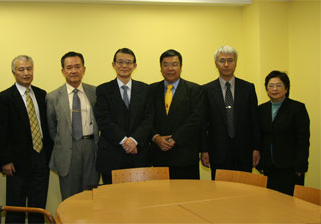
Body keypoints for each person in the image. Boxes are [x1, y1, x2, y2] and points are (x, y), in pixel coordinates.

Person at [0, 55, 52, 223]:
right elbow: (0, 132)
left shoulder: (41, 94)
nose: (26, 73)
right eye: (21, 69)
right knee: (16, 208)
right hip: (16, 162)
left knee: (38, 207)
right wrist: (5, 160)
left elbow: (46, 127)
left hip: (41, 158)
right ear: (14, 72)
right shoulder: (4, 98)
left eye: (29, 69)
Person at [95, 48, 153, 184]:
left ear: (135, 66)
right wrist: (124, 140)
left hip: (139, 155)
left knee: (140, 200)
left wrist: (134, 140)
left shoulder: (145, 89)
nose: (124, 66)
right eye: (120, 62)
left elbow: (148, 119)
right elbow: (103, 119)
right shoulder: (103, 90)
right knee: (112, 201)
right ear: (113, 65)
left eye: (128, 62)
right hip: (111, 155)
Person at [202, 46, 261, 179]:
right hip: (217, 152)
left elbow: (254, 121)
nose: (226, 64)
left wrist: (257, 148)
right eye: (222, 60)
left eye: (230, 60)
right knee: (220, 192)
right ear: (216, 64)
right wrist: (204, 150)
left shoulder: (248, 88)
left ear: (236, 62)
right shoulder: (205, 90)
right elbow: (203, 124)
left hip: (244, 151)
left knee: (245, 192)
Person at [46, 51, 99, 200]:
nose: (74, 71)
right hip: (67, 151)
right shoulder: (52, 97)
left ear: (84, 69)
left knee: (91, 196)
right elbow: (51, 127)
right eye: (69, 67)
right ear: (63, 71)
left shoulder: (95, 92)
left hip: (91, 148)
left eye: (77, 66)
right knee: (70, 198)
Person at [150, 49, 206, 179]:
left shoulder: (195, 90)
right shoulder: (151, 90)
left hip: (185, 156)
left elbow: (196, 119)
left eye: (174, 64)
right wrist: (156, 137)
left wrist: (174, 139)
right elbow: (147, 118)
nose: (170, 68)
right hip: (159, 156)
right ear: (160, 68)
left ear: (181, 67)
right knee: (159, 197)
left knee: (187, 196)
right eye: (165, 64)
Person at [258, 70, 310, 195]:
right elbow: (259, 136)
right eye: (271, 86)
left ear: (286, 88)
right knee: (271, 203)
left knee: (290, 205)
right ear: (267, 89)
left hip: (290, 167)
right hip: (269, 166)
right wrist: (260, 163)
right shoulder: (261, 109)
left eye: (279, 85)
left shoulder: (297, 108)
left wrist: (300, 166)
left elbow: (303, 139)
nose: (274, 89)